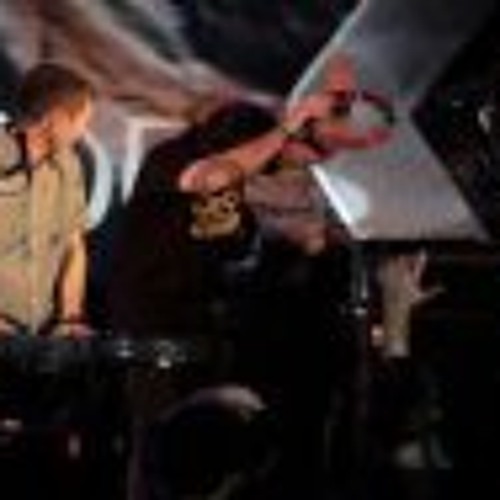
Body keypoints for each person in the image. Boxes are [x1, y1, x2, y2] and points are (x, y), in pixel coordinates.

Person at [0, 62, 94, 336]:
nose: (83, 133)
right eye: (82, 122)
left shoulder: (70, 166)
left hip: (37, 336)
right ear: (57, 119)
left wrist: (70, 317)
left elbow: (74, 248)